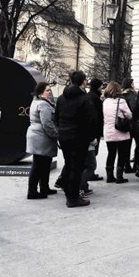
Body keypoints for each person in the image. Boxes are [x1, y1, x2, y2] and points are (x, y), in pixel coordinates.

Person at [54, 71, 99, 208]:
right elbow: (92, 120)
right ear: (83, 82)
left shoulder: (62, 97)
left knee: (69, 164)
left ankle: (69, 192)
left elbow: (56, 117)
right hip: (80, 137)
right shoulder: (85, 99)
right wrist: (91, 136)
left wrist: (60, 131)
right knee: (77, 167)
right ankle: (73, 198)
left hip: (64, 136)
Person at [25, 82, 58, 199]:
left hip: (37, 135)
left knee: (44, 163)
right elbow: (47, 123)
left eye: (50, 90)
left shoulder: (37, 102)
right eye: (47, 90)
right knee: (39, 164)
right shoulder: (43, 105)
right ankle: (32, 191)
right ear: (40, 93)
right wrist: (56, 135)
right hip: (41, 137)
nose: (50, 92)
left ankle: (44, 187)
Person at [103, 81, 133, 184]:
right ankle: (119, 177)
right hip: (120, 132)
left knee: (111, 154)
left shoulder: (105, 102)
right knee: (122, 154)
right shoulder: (121, 101)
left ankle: (109, 176)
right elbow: (129, 115)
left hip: (109, 132)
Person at [121, 78, 139, 173]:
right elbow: (134, 108)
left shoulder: (121, 95)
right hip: (134, 123)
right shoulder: (132, 95)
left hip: (125, 123)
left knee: (127, 146)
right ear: (131, 85)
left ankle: (126, 165)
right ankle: (136, 164)